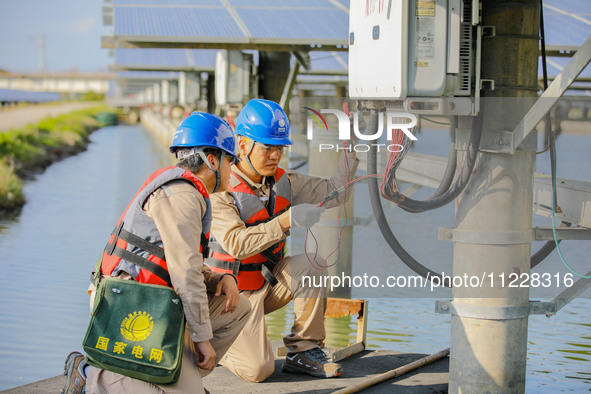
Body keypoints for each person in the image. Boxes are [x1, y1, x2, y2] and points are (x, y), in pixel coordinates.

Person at [62, 112, 252, 394]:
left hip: (157, 300)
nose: (233, 168)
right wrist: (202, 339)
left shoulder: (189, 192)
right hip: (126, 302)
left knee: (239, 308)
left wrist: (217, 280)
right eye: (231, 159)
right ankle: (87, 371)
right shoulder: (181, 196)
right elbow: (185, 273)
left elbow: (185, 264)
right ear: (212, 159)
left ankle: (170, 373)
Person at [205, 99, 359, 382]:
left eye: (280, 148)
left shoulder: (284, 181)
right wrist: (288, 220)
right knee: (259, 370)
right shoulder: (221, 188)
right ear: (242, 145)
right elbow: (236, 243)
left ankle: (303, 350)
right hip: (227, 299)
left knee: (313, 265)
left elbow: (336, 191)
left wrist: (352, 149)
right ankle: (220, 344)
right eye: (267, 148)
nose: (275, 155)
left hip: (265, 287)